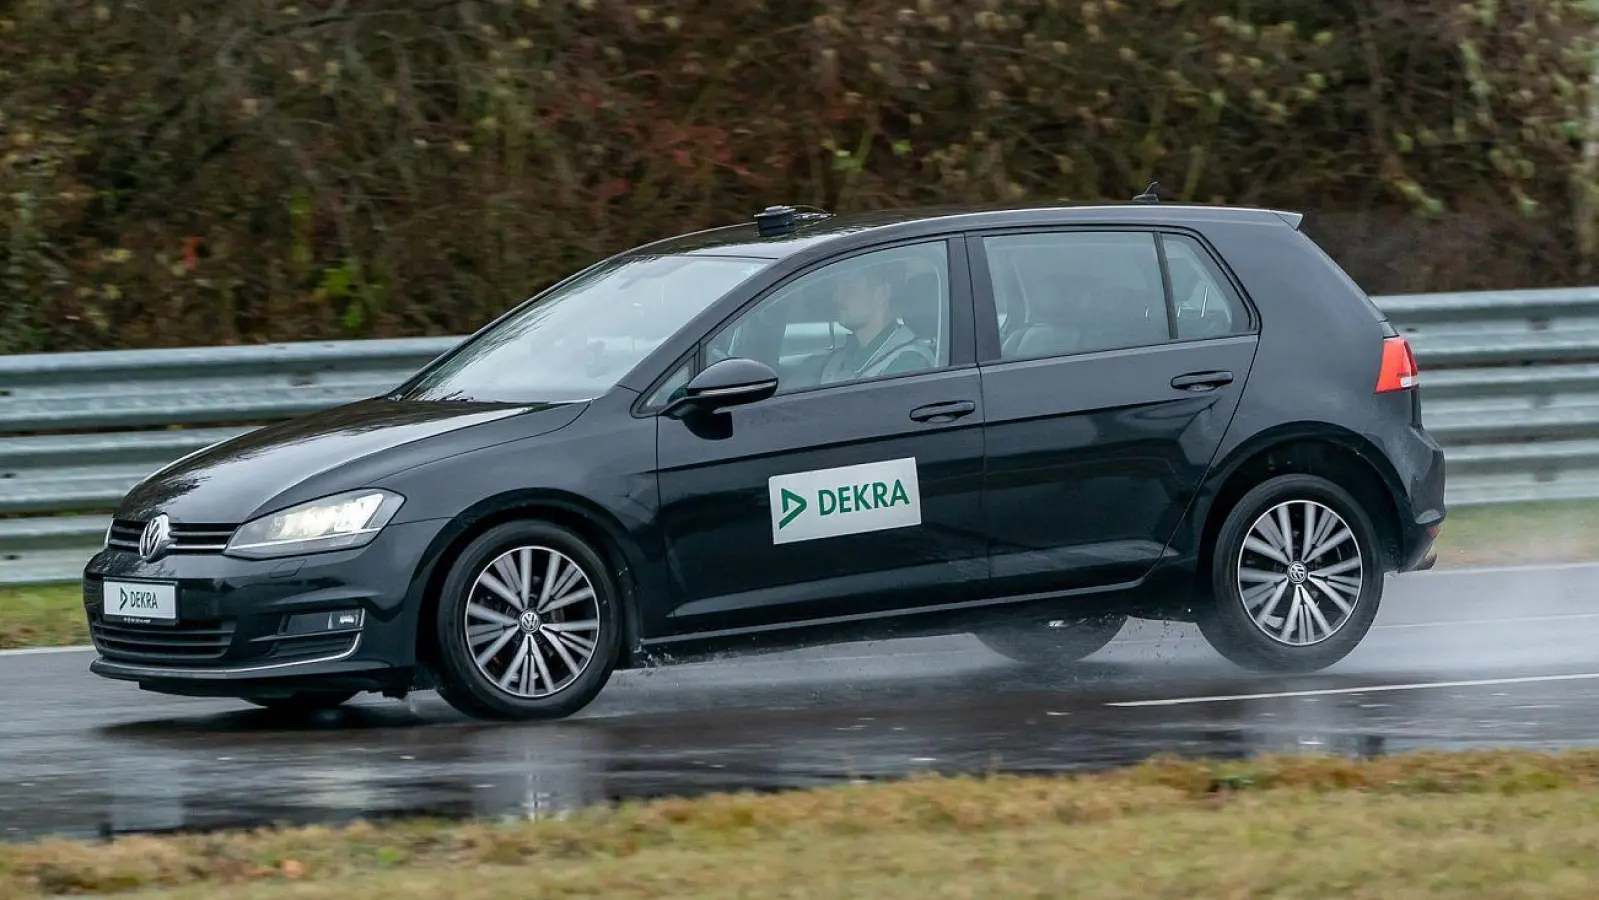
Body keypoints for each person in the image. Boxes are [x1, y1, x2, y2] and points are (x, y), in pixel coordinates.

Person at [817, 266, 935, 384]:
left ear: (882, 294)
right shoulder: (840, 357)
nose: (836, 297)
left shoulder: (908, 362)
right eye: (836, 288)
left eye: (849, 286)